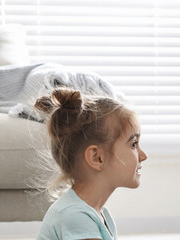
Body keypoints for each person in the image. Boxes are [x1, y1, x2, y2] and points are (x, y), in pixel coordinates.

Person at [35, 88, 147, 240]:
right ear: (97, 158)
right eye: (133, 144)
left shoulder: (98, 214)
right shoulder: (75, 216)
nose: (143, 155)